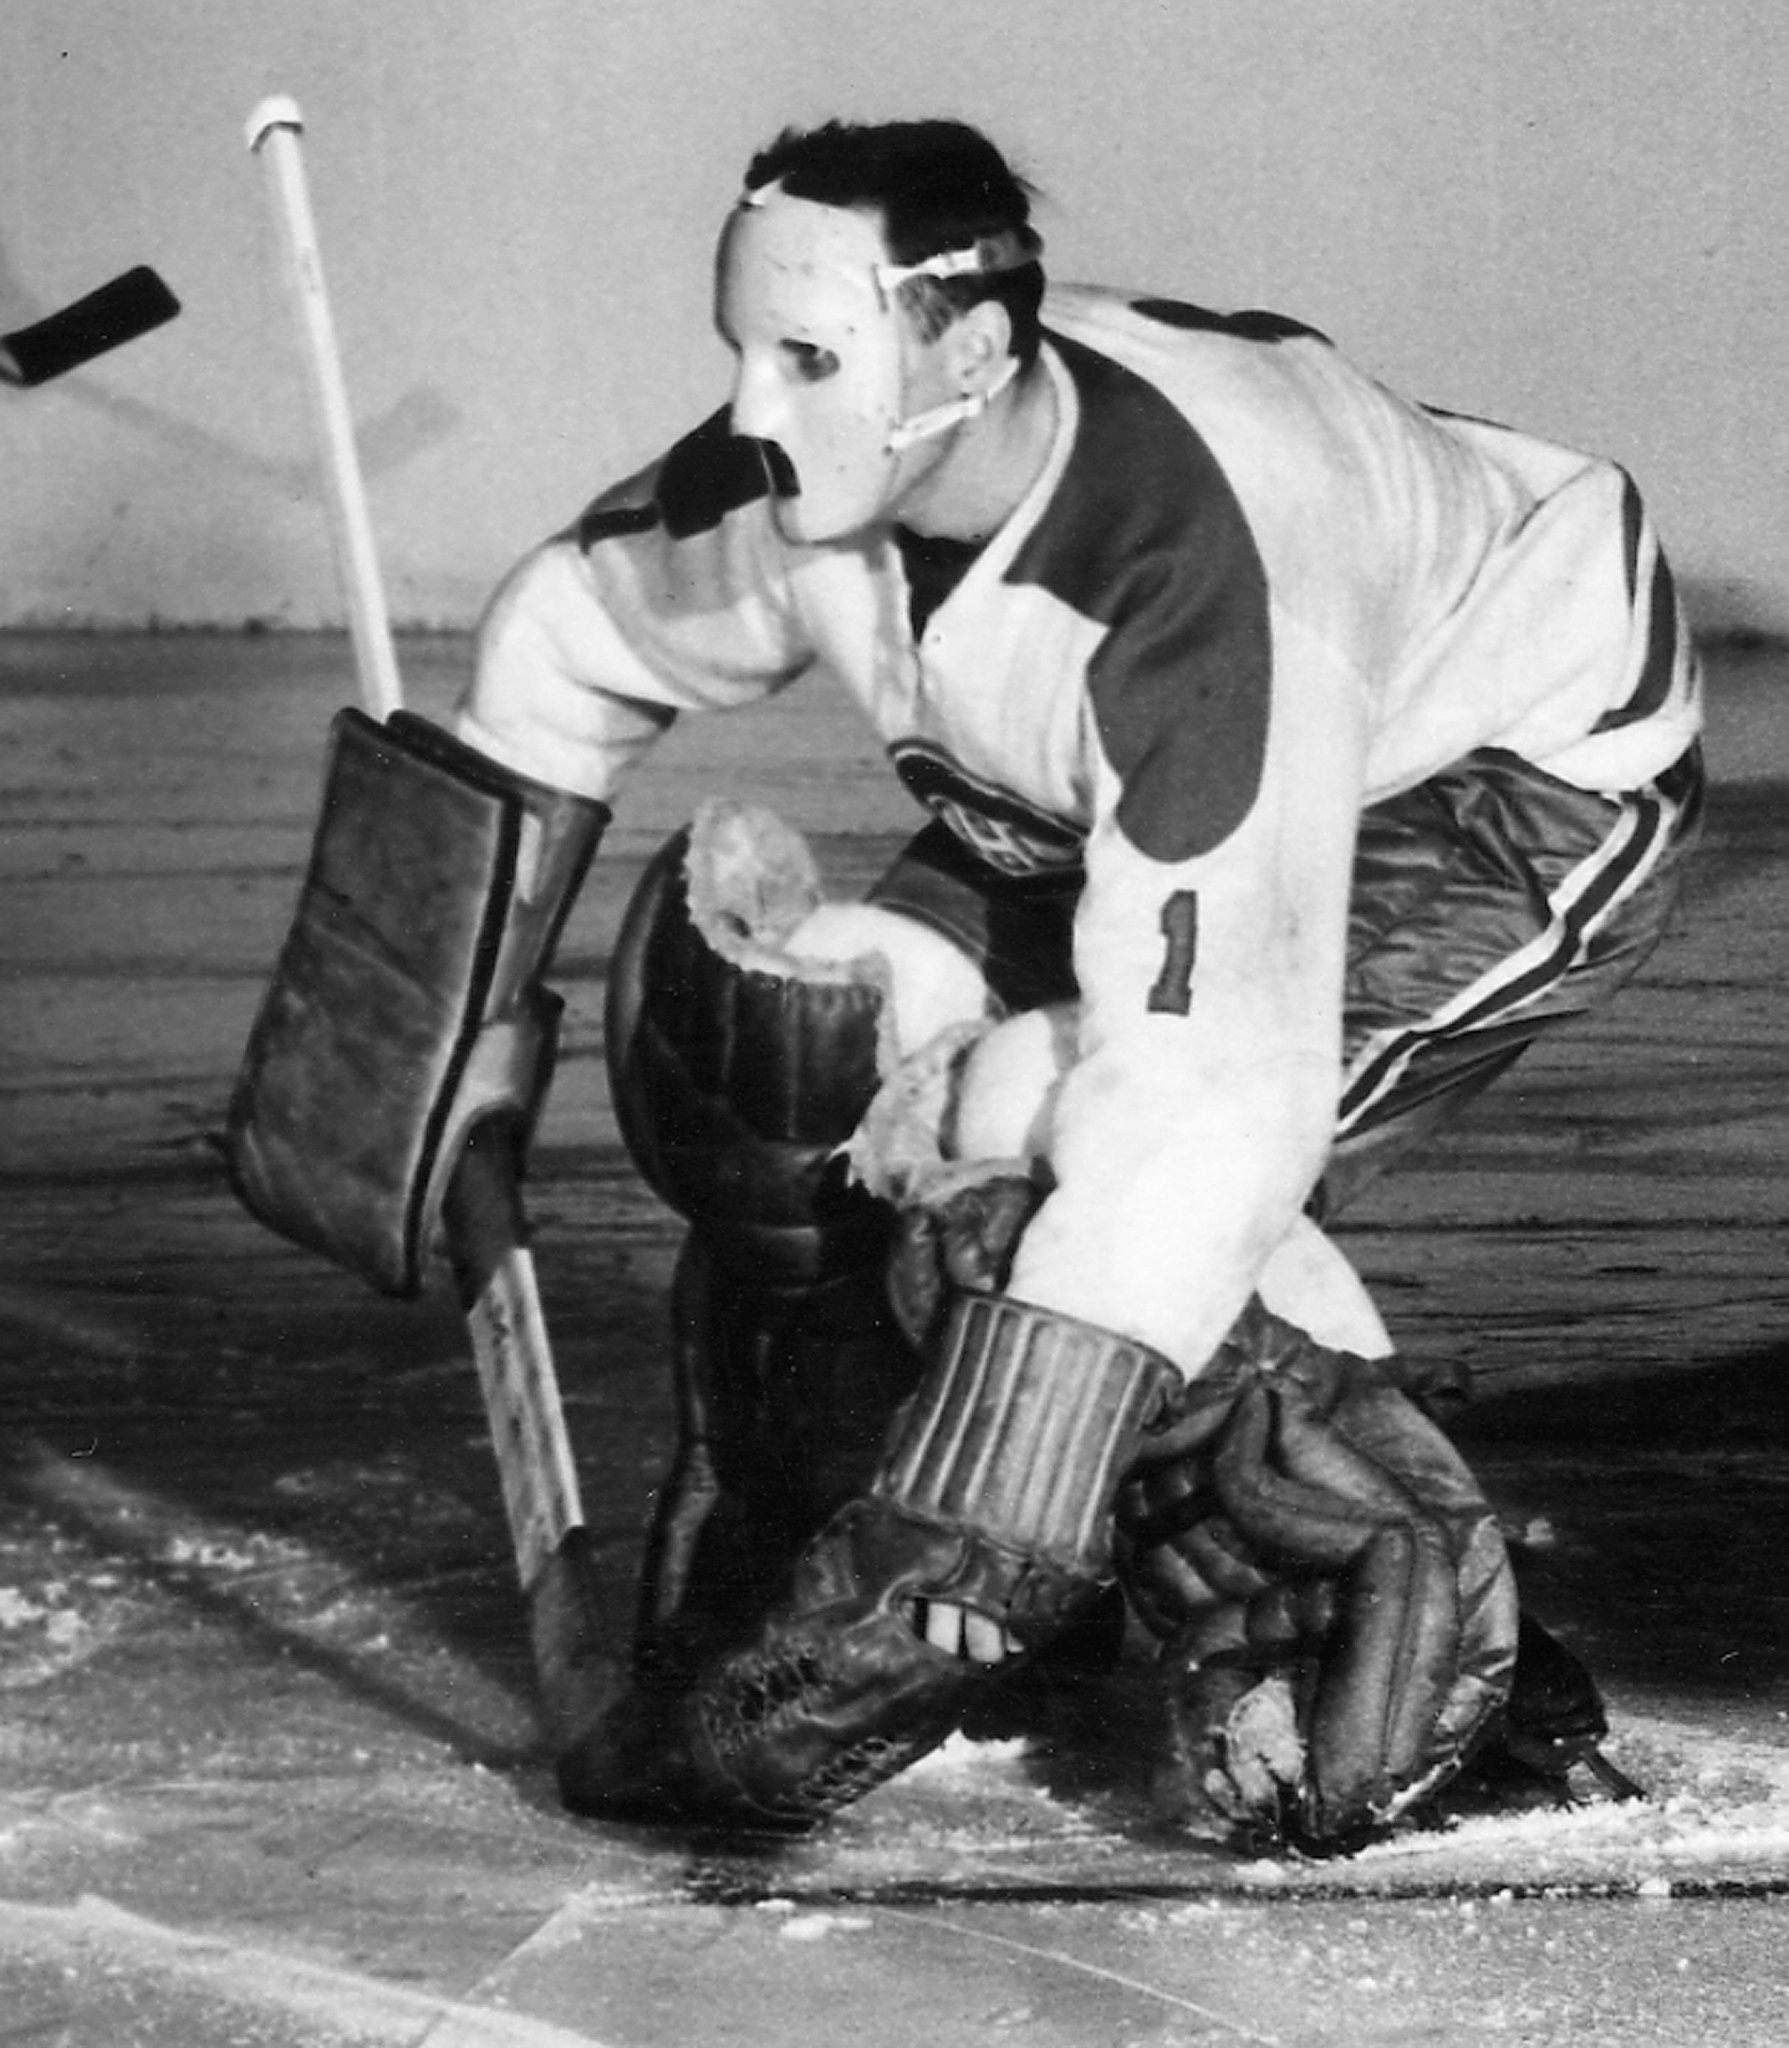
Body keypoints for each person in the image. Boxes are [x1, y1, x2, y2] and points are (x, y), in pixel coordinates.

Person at [231, 118, 1701, 1849]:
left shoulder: (1202, 590)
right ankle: (782, 1571)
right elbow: (578, 629)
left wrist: (973, 1549)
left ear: (972, 354)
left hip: (1492, 783)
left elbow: (1208, 1109)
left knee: (1039, 1145)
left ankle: (1433, 1654)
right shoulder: (819, 477)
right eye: (741, 352)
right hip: (1089, 800)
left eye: (806, 359)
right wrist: (434, 988)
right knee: (803, 1065)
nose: (755, 412)